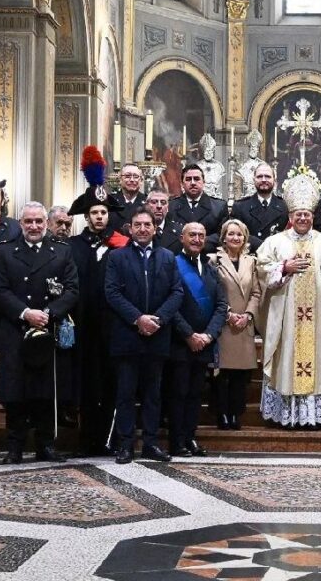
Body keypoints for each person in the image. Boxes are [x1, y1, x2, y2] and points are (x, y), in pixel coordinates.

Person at [0, 202, 79, 464]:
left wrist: (49, 313)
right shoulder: (5, 252)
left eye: (39, 221)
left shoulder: (61, 252)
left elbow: (73, 289)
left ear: (46, 223)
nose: (34, 226)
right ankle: (15, 447)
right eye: (28, 221)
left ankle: (46, 445)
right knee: (16, 394)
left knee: (45, 392)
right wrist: (25, 313)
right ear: (21, 223)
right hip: (16, 330)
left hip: (47, 332)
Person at [256, 170, 321, 427]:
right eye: (298, 214)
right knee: (287, 358)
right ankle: (287, 414)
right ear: (290, 217)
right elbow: (261, 270)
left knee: (317, 358)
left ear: (313, 216)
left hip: (318, 317)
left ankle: (314, 415)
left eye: (307, 214)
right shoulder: (275, 241)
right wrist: (284, 268)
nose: (303, 218)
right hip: (286, 318)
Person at [104, 208, 183, 463]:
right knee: (125, 394)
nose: (143, 229)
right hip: (128, 335)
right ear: (130, 228)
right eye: (137, 224)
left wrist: (157, 318)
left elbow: (177, 292)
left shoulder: (168, 257)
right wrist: (138, 319)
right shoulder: (117, 257)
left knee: (153, 394)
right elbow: (112, 293)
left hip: (158, 335)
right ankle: (125, 444)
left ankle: (150, 443)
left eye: (147, 224)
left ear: (154, 228)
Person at [67, 174, 130, 456]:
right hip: (83, 327)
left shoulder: (122, 246)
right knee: (85, 385)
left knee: (112, 384)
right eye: (94, 213)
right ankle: (86, 439)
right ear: (86, 216)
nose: (100, 217)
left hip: (113, 327)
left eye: (104, 212)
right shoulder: (73, 247)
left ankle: (111, 438)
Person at [167, 222, 228, 456]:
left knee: (195, 395)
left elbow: (221, 305)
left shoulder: (211, 268)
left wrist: (209, 334)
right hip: (180, 343)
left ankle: (190, 437)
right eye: (192, 235)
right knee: (178, 393)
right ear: (182, 238)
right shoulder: (173, 264)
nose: (196, 239)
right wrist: (188, 334)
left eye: (201, 235)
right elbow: (170, 306)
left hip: (204, 342)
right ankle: (177, 440)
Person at [209, 219, 263, 430]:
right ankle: (222, 414)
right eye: (231, 234)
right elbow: (213, 292)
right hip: (224, 324)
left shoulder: (252, 261)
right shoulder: (214, 260)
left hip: (244, 325)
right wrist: (228, 314)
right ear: (223, 237)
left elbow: (256, 292)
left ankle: (236, 414)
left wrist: (248, 315)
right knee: (222, 375)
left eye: (239, 234)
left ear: (245, 238)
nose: (235, 238)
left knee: (240, 377)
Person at [169, 164, 228, 250]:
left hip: (208, 256)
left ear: (204, 182)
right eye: (188, 179)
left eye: (197, 179)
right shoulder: (171, 206)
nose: (193, 183)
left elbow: (222, 235)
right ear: (182, 183)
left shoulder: (219, 207)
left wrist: (199, 241)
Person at [231, 163, 289, 251]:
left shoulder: (284, 207)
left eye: (268, 176)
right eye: (259, 177)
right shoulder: (240, 207)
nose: (264, 180)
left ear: (275, 181)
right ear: (253, 180)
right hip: (248, 257)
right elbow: (233, 235)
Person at [110, 163, 147, 231]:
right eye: (127, 176)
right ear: (120, 179)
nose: (132, 180)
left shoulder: (148, 203)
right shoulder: (110, 202)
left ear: (141, 181)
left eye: (136, 176)